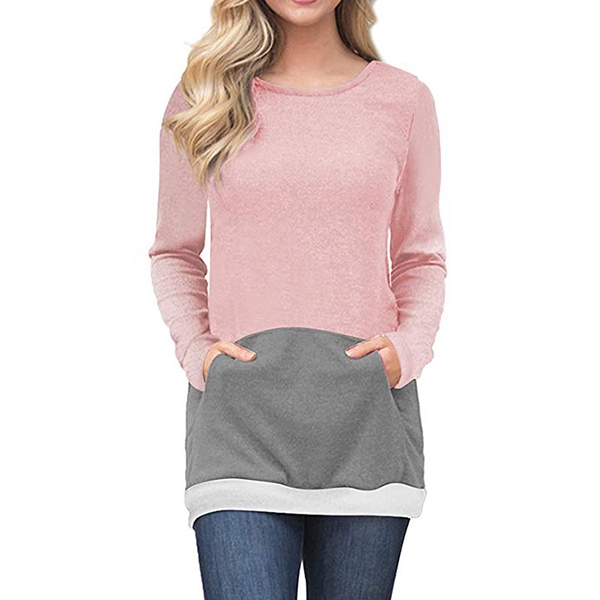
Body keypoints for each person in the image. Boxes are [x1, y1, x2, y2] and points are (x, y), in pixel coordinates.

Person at [148, 0, 447, 597]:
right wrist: (197, 351)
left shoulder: (403, 100)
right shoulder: (203, 97)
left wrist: (408, 350)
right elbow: (174, 251)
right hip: (239, 426)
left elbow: (420, 256)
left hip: (363, 423)